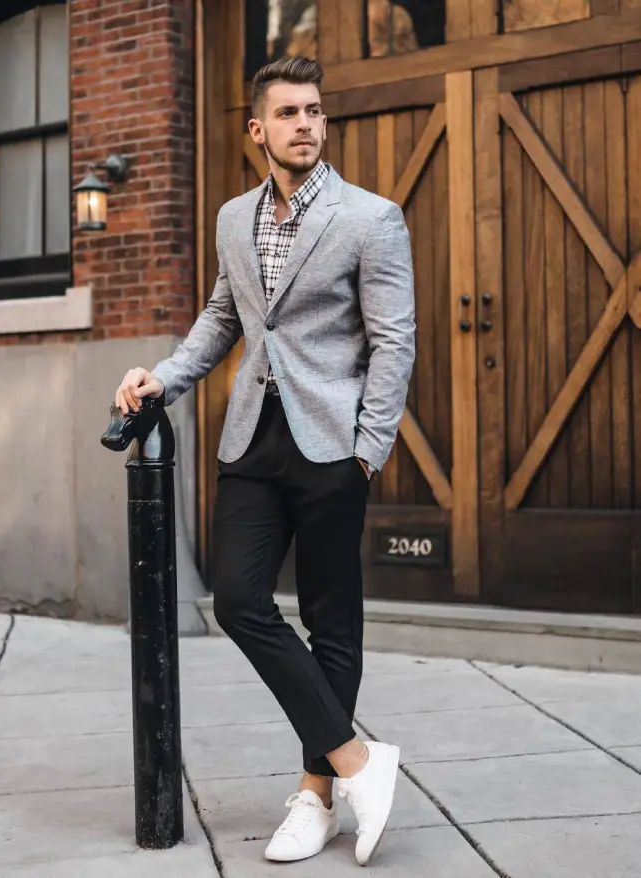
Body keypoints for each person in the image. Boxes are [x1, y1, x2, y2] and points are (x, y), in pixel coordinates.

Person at [115, 56, 415, 867]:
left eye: (315, 111)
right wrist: (163, 377)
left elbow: (394, 341)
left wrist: (368, 448)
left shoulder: (370, 217)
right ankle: (359, 761)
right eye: (288, 114)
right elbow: (223, 318)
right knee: (239, 597)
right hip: (253, 436)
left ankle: (316, 797)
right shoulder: (231, 217)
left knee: (331, 620)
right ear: (259, 130)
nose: (307, 125)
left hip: (332, 444)